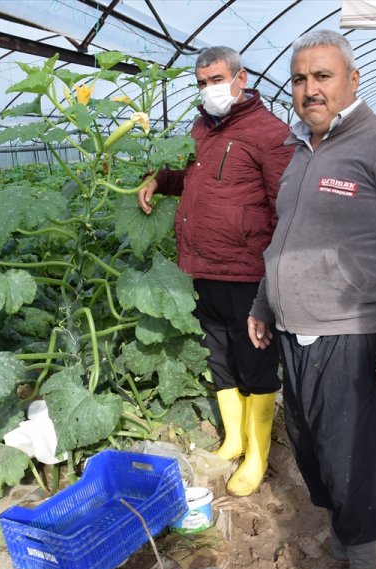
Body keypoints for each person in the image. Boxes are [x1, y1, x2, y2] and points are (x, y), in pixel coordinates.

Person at [247, 31, 376, 569]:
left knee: (358, 455)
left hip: (355, 332)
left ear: (352, 80)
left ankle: (365, 568)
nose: (310, 89)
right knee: (312, 446)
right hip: (295, 330)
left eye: (323, 76)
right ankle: (343, 538)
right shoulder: (301, 153)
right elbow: (286, 239)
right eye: (300, 79)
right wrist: (264, 301)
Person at [138, 46, 293, 497]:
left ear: (241, 78)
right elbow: (187, 174)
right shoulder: (201, 129)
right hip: (202, 266)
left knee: (256, 361)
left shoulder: (269, 132)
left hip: (248, 272)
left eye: (217, 79)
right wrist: (157, 179)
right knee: (219, 356)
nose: (210, 89)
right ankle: (234, 439)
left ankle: (258, 456)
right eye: (202, 82)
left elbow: (286, 206)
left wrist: (277, 271)